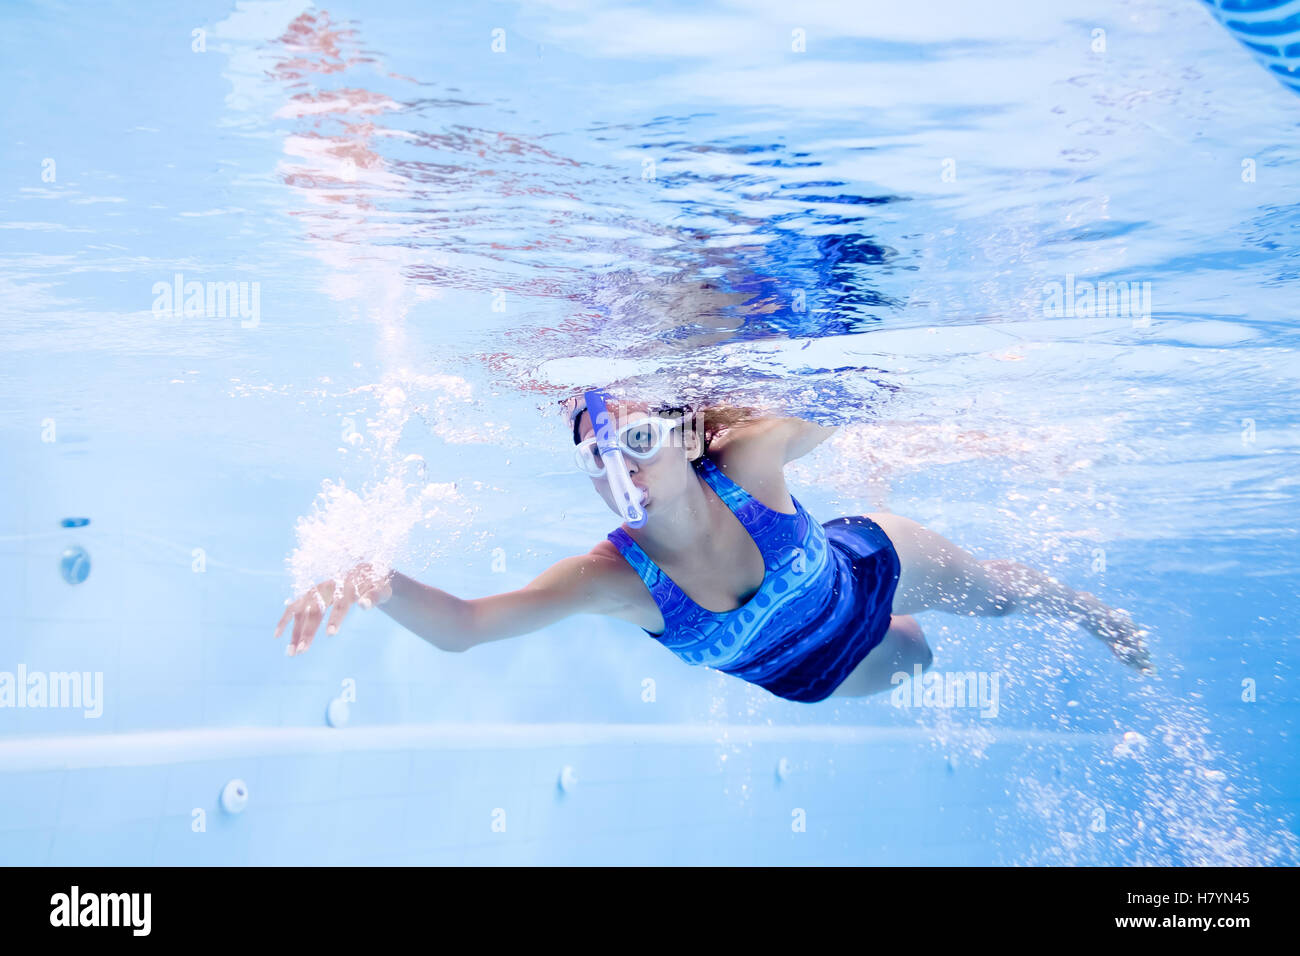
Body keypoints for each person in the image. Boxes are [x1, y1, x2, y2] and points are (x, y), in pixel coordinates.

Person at [274, 391, 1151, 702]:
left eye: (636, 442)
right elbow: (466, 628)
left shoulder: (748, 457)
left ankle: (1089, 614)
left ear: (678, 438)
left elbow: (861, 390)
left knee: (996, 596)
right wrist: (371, 580)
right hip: (811, 672)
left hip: (863, 567)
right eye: (600, 455)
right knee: (916, 656)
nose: (621, 467)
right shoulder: (612, 578)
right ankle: (906, 627)